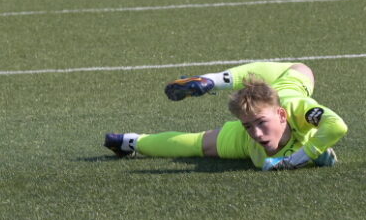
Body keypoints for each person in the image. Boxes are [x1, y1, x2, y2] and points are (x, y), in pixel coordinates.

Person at [103, 61, 346, 170]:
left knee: (199, 145)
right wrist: (308, 156)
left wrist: (302, 157)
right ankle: (213, 80)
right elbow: (333, 129)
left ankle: (129, 141)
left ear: (282, 114)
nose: (256, 134)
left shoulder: (297, 108)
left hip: (286, 88)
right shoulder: (249, 138)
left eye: (261, 124)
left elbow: (337, 126)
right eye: (248, 126)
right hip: (280, 95)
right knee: (198, 145)